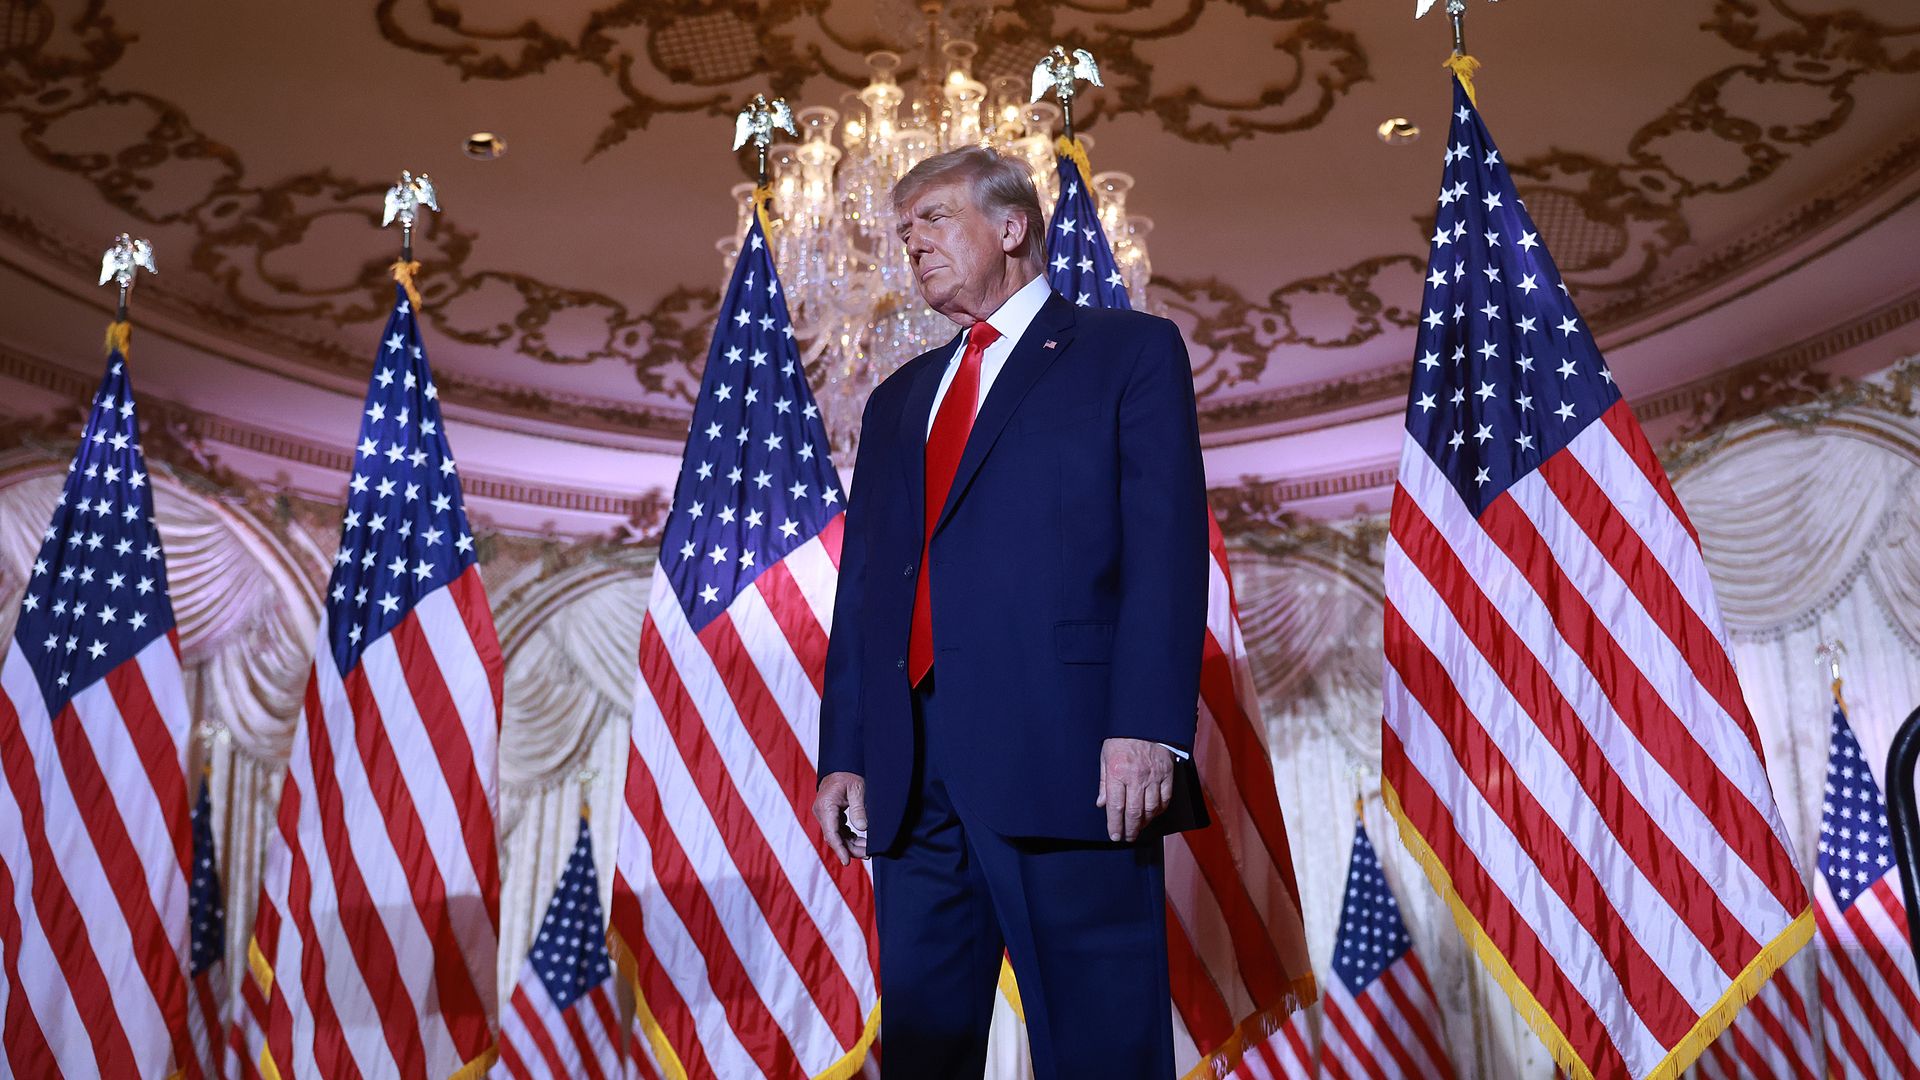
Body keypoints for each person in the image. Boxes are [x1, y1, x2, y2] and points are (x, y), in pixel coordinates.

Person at [813, 145, 1210, 1079]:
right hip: (912, 778)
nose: (912, 244)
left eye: (935, 219)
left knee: (1101, 1049)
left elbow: (1164, 552)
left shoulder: (1128, 352)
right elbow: (867, 590)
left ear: (1011, 225)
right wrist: (848, 750)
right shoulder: (898, 400)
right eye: (904, 231)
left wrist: (1147, 727)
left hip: (1071, 755)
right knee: (923, 1052)